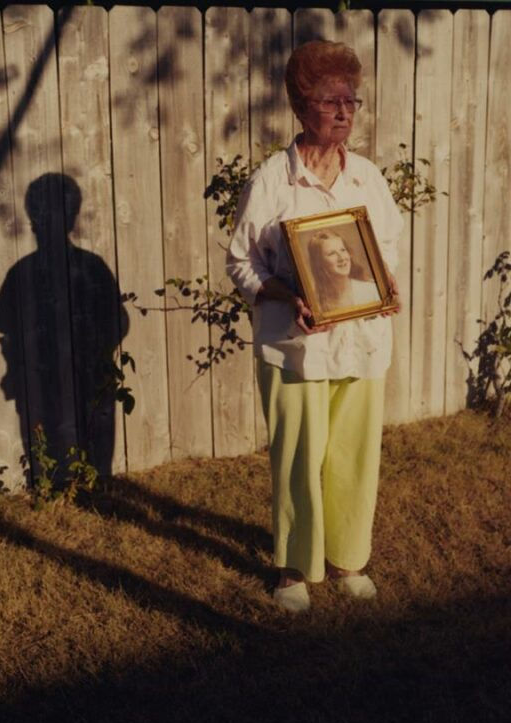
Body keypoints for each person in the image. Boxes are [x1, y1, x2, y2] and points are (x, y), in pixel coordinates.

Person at [226, 40, 404, 612]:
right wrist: (284, 292)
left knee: (355, 455)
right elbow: (240, 262)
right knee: (299, 456)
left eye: (352, 100)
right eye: (332, 101)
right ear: (303, 106)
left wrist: (386, 287)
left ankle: (349, 560)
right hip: (294, 346)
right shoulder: (273, 181)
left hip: (362, 342)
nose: (346, 111)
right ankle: (294, 570)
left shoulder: (369, 179)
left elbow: (388, 251)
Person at [306, 230, 379, 314]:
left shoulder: (372, 290)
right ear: (319, 262)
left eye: (343, 250)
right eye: (332, 253)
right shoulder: (315, 304)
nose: (341, 258)